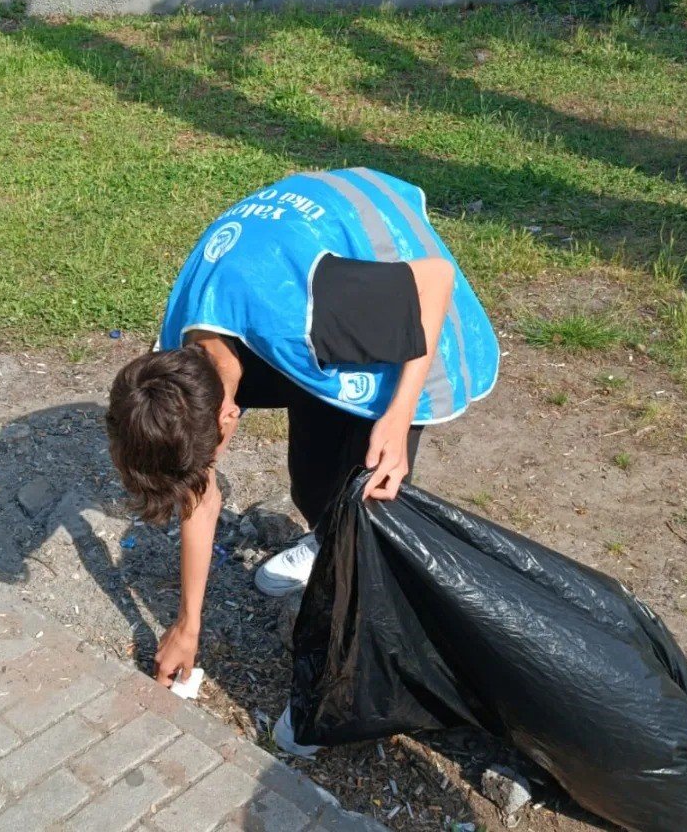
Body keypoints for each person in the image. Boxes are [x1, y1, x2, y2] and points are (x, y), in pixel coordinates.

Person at [106, 168, 499, 750]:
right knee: (314, 486)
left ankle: (335, 697)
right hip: (304, 288)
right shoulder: (172, 367)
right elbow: (198, 489)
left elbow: (436, 282)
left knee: (366, 506)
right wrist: (189, 625)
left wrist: (396, 416)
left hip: (394, 285)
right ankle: (322, 537)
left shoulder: (311, 315)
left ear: (228, 416)